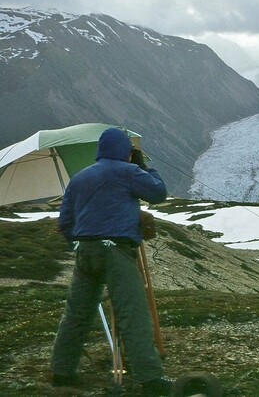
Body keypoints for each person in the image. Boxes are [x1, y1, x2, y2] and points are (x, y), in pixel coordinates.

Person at [50, 127, 173, 396]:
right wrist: (145, 167)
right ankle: (150, 378)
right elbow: (158, 193)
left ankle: (61, 372)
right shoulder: (127, 171)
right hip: (116, 250)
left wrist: (78, 244)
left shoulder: (80, 178)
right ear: (126, 152)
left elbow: (65, 221)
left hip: (85, 252)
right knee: (133, 313)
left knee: (76, 315)